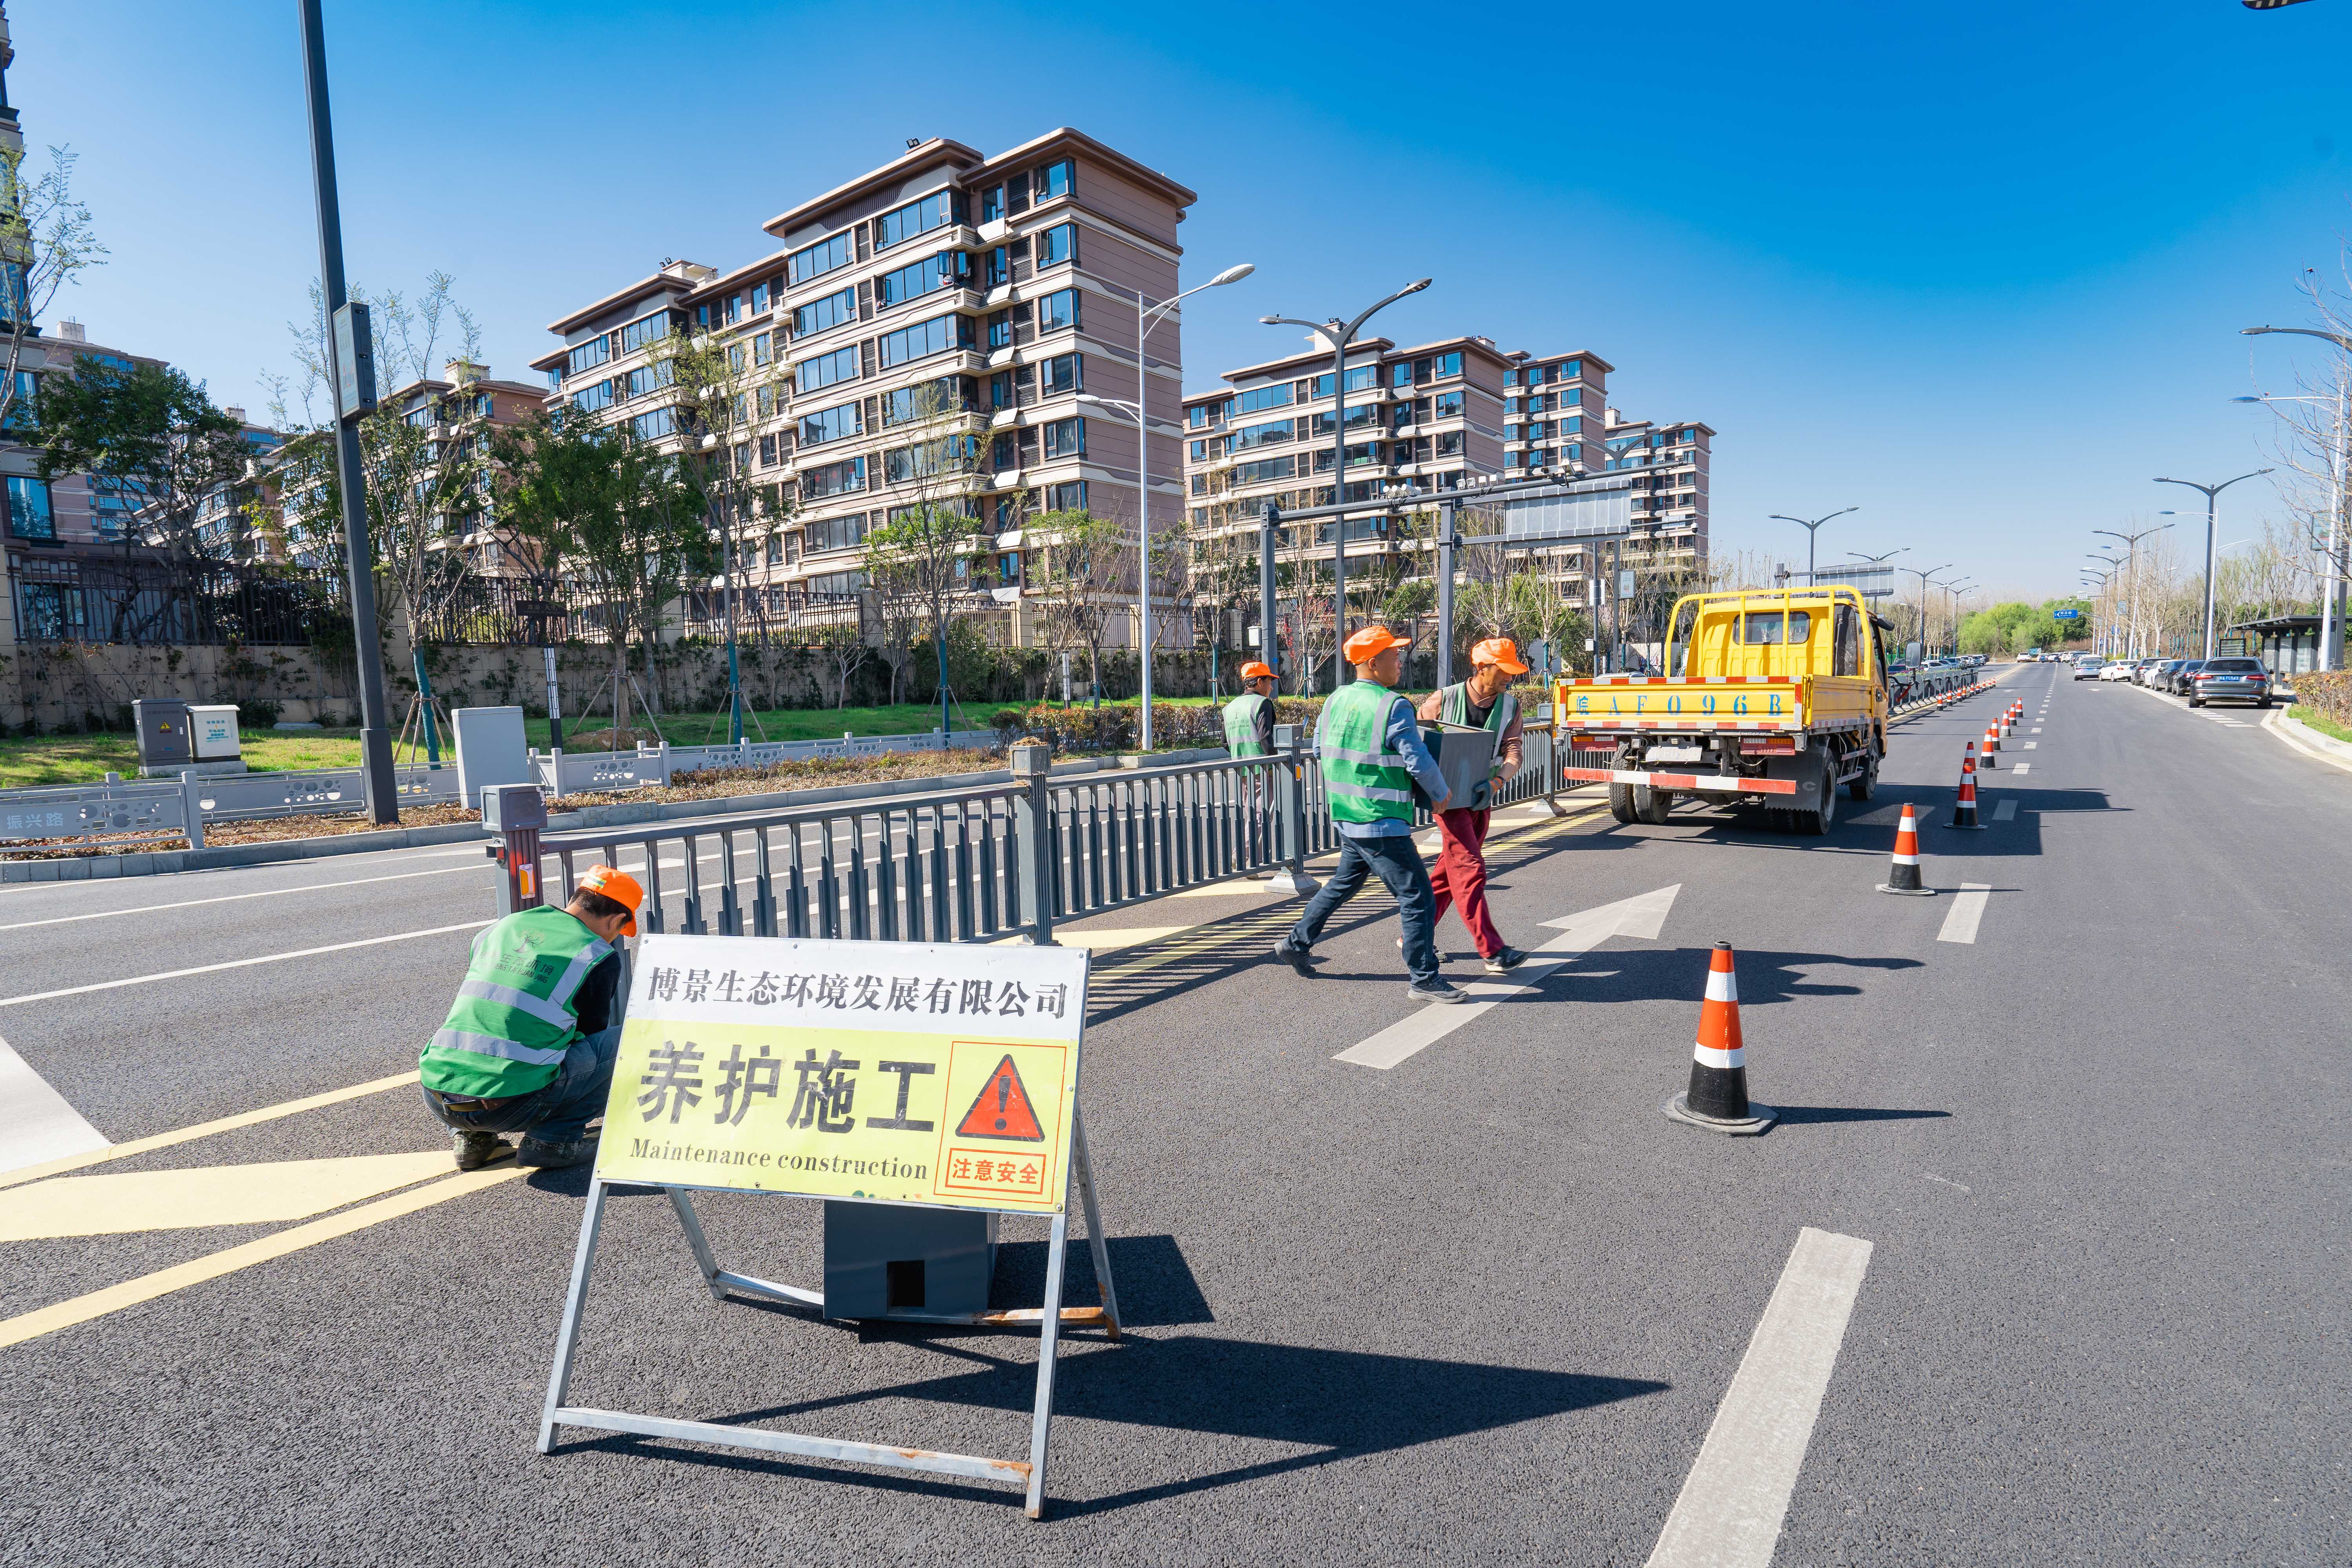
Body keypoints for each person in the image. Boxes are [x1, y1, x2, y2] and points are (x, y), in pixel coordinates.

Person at [1273, 626, 1466, 1004]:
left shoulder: (1335, 700)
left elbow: (1319, 749)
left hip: (1348, 814)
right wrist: (1440, 793)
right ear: (1373, 663)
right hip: (1380, 819)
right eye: (1394, 655)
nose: (1400, 661)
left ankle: (1296, 944)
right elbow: (1417, 758)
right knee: (1419, 897)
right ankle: (1424, 979)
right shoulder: (1393, 705)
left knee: (1343, 885)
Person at [420, 864, 643, 1171]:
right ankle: (554, 1141)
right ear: (616, 920)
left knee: (482, 1028)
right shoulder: (595, 956)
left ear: (577, 899)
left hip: (437, 1094)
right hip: (512, 1105)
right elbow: (590, 1037)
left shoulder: (504, 927)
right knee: (627, 1042)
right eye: (619, 931)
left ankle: (471, 1138)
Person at [1416, 638, 1532, 975]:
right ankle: (1492, 949)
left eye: (1513, 670)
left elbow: (1514, 751)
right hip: (1447, 800)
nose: (1510, 676)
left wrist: (1497, 783)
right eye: (1504, 670)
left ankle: (1415, 935)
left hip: (1481, 797)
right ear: (1482, 668)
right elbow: (1416, 742)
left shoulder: (1511, 706)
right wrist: (1431, 788)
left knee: (1447, 873)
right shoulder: (1443, 699)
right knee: (1470, 867)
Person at [1222, 661, 1278, 757]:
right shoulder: (1263, 703)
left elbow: (1225, 742)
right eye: (1269, 683)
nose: (1271, 688)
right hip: (1262, 765)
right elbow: (1265, 738)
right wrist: (1280, 758)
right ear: (1260, 682)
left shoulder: (1229, 707)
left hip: (1238, 765)